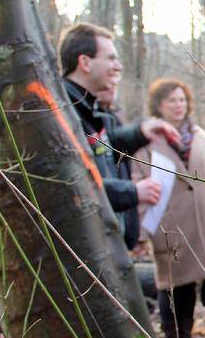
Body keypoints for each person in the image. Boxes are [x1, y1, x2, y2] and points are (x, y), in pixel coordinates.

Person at [58, 23, 179, 249]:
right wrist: (132, 192)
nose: (118, 66)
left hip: (106, 243)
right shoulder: (63, 113)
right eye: (111, 58)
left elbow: (105, 147)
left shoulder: (89, 109)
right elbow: (70, 185)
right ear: (85, 62)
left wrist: (141, 132)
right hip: (86, 250)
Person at [132, 78, 205, 338]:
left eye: (182, 100)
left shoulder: (200, 137)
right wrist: (140, 228)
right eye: (172, 100)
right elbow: (136, 179)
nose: (178, 105)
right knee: (170, 285)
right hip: (168, 224)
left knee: (190, 287)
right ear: (159, 105)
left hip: (199, 224)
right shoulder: (147, 141)